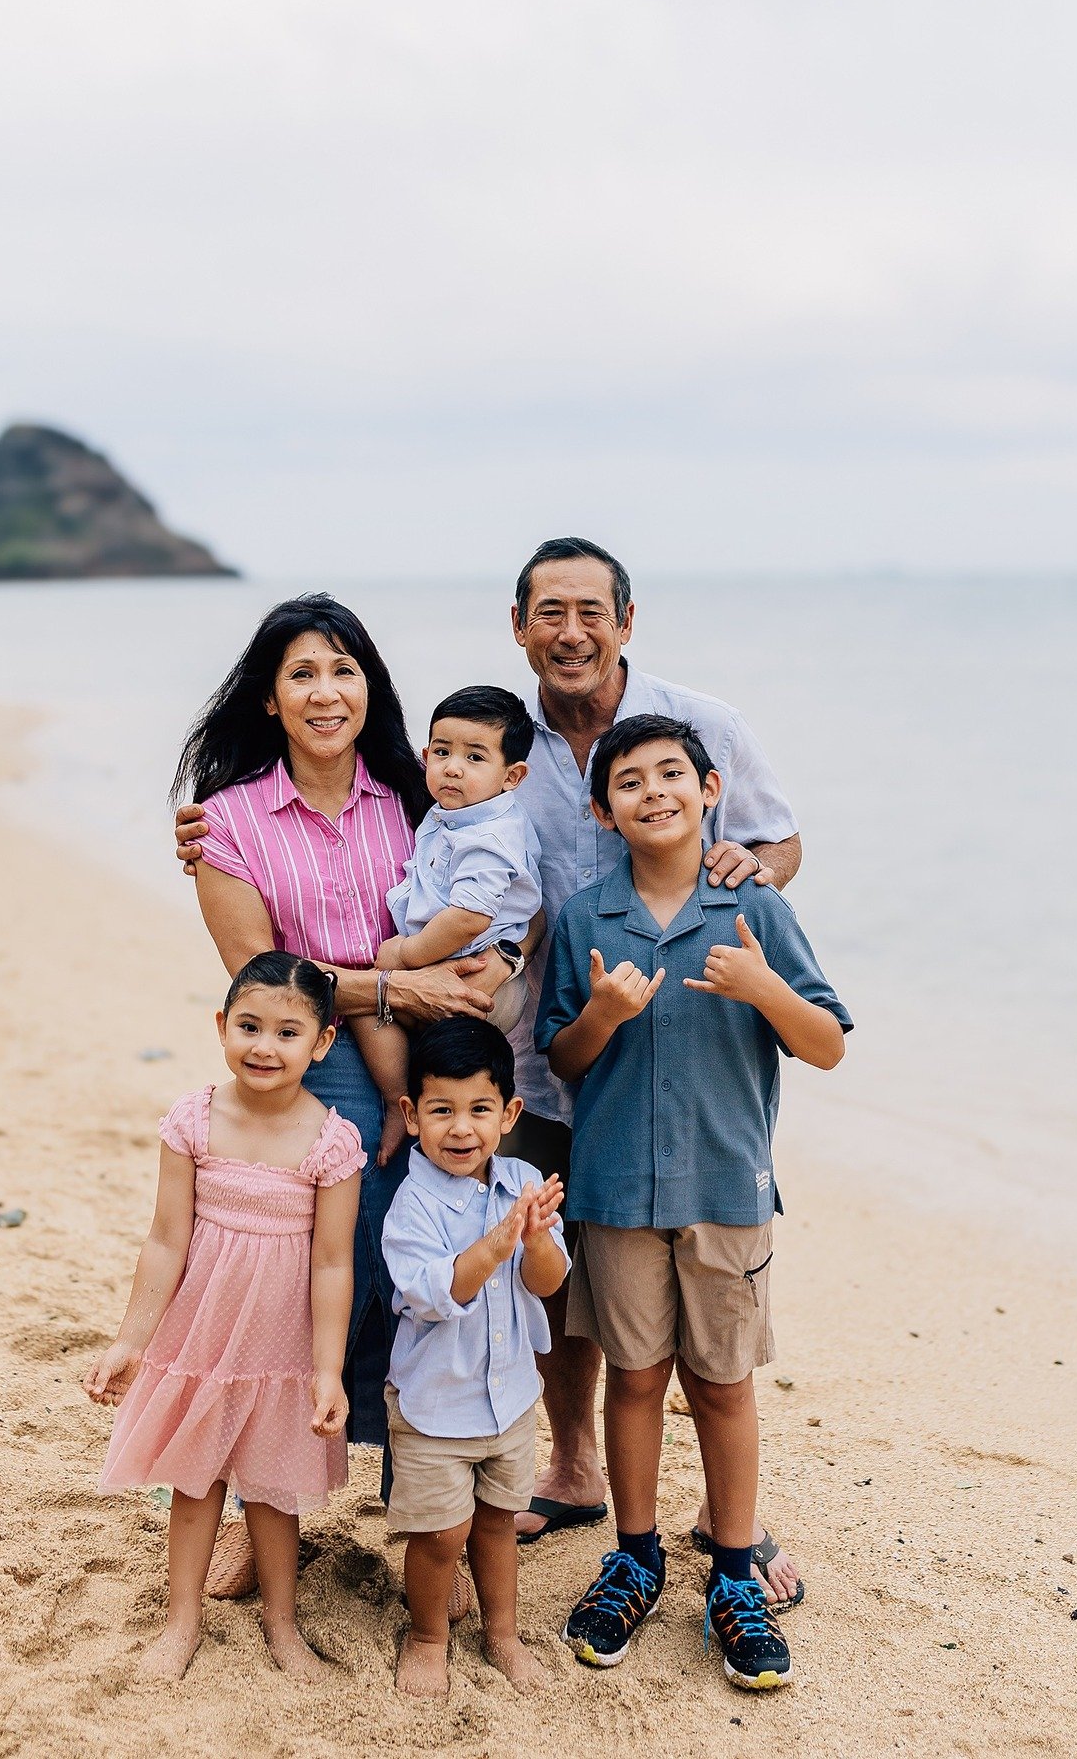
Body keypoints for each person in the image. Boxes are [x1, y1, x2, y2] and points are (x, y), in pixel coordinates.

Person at [171, 594, 529, 1598]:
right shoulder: (227, 821)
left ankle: (430, 1515)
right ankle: (258, 1511)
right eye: (302, 674)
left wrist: (502, 957)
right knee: (280, 1296)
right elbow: (261, 979)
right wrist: (401, 985)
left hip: (430, 1079)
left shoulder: (421, 796)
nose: (326, 691)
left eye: (343, 670)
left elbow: (513, 878)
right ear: (272, 699)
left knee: (420, 1287)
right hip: (298, 1080)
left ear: (371, 688)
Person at [500, 539, 807, 1608]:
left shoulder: (703, 725)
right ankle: (581, 1476)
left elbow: (779, 846)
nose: (570, 629)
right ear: (519, 624)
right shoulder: (503, 741)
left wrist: (747, 879)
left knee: (716, 1354)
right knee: (571, 1299)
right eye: (550, 611)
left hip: (700, 1080)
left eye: (591, 609)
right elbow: (426, 814)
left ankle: (736, 1535)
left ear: (628, 620)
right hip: (548, 1066)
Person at [536, 716, 851, 1690]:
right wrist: (602, 1014)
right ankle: (634, 1555)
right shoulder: (585, 918)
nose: (654, 793)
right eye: (629, 782)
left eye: (672, 774)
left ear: (711, 788)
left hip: (726, 1190)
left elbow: (828, 1043)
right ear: (603, 810)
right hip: (617, 1193)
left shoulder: (753, 910)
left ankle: (735, 1571)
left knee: (722, 1384)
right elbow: (562, 1059)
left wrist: (762, 987)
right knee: (631, 1377)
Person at [82, 953, 363, 1681]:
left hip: (280, 1342)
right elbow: (165, 1238)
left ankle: (282, 1626)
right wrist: (130, 1341)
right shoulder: (195, 1119)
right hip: (202, 1329)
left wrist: (328, 1371)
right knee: (195, 1477)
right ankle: (182, 1622)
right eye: (248, 1026)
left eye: (287, 1032)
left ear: (322, 1043)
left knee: (273, 1485)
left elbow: (334, 1263)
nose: (264, 1047)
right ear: (221, 1027)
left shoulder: (332, 1141)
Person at [381, 1017, 568, 1698]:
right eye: (442, 1111)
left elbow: (545, 1283)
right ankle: (428, 1635)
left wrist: (539, 1236)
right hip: (436, 1405)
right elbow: (436, 1293)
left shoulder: (521, 1180)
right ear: (412, 1114)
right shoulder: (414, 1204)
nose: (461, 1129)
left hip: (511, 1399)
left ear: (509, 1112)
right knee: (439, 1534)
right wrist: (500, 1238)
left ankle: (503, 1635)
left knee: (496, 1525)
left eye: (479, 1110)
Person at [347, 686, 544, 1164]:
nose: (453, 767)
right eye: (442, 751)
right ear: (425, 754)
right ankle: (409, 1106)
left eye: (475, 757)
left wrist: (407, 955)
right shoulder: (456, 814)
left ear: (512, 776)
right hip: (460, 961)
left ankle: (412, 1110)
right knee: (374, 1002)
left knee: (373, 1002)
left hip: (478, 977)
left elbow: (469, 916)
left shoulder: (492, 833)